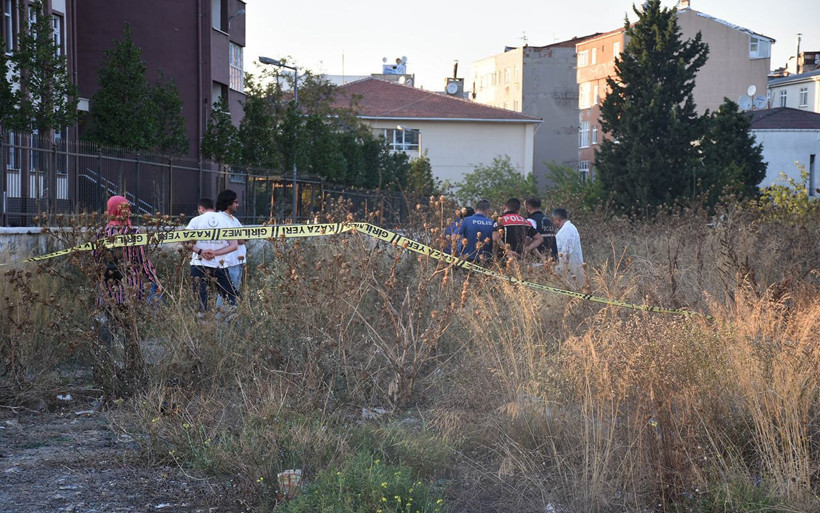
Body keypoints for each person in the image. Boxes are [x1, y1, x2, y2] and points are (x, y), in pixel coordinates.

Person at [93, 195, 162, 394]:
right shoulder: (133, 232)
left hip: (107, 288)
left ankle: (106, 370)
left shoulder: (101, 233)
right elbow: (142, 260)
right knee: (130, 330)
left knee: (107, 329)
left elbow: (94, 259)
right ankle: (133, 369)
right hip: (130, 289)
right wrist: (154, 279)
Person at [186, 192, 239, 311]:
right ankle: (231, 325)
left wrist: (201, 252)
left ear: (201, 209)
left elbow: (186, 242)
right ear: (214, 208)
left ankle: (204, 327)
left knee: (201, 303)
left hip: (199, 265)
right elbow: (234, 245)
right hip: (219, 265)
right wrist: (215, 253)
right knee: (231, 300)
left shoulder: (196, 220)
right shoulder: (226, 220)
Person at [215, 189, 245, 307]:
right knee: (226, 294)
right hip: (229, 262)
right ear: (228, 203)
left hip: (237, 262)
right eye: (235, 202)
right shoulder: (220, 218)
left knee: (233, 294)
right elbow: (240, 239)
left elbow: (243, 238)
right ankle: (221, 323)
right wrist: (241, 239)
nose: (237, 205)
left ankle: (231, 321)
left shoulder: (233, 219)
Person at [551, 207, 585, 287]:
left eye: (554, 220)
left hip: (571, 270)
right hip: (568, 270)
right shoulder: (565, 229)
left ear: (558, 219)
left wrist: (561, 269)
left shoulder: (568, 229)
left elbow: (566, 251)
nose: (553, 222)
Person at [525, 197, 558, 261]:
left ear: (529, 208)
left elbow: (528, 241)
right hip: (553, 259)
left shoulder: (531, 221)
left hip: (538, 261)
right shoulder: (548, 221)